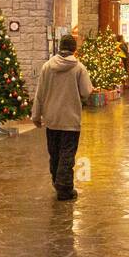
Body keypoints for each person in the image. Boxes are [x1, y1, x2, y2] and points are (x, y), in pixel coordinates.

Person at [31, 34, 93, 200]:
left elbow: (40, 93)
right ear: (74, 49)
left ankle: (56, 182)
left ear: (60, 47)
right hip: (71, 119)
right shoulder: (79, 68)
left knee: (55, 153)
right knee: (67, 154)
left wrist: (36, 115)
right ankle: (64, 189)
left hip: (51, 119)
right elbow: (87, 91)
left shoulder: (47, 66)